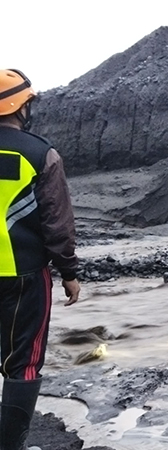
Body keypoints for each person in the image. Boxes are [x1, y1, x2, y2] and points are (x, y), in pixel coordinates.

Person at [0, 69, 81, 450]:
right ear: (21, 105)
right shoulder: (39, 153)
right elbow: (57, 221)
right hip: (24, 274)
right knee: (24, 362)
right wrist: (69, 272)